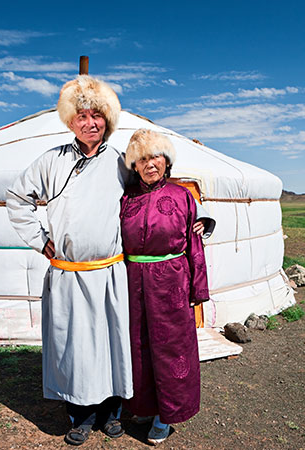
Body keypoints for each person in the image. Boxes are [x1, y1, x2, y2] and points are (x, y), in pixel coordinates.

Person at [6, 75, 131, 446]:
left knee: (112, 343)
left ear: (108, 120)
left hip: (110, 271)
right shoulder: (51, 161)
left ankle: (112, 412)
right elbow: (17, 197)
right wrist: (40, 241)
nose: (90, 123)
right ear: (70, 120)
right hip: (70, 274)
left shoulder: (123, 162)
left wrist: (197, 214)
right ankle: (80, 416)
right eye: (82, 116)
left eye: (97, 116)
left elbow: (160, 185)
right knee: (75, 347)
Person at [120, 129, 210, 445]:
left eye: (155, 156)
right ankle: (143, 407)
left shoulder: (183, 196)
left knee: (171, 350)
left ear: (166, 161)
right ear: (134, 165)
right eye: (142, 158)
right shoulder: (125, 198)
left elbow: (195, 245)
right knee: (139, 347)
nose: (150, 164)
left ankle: (166, 415)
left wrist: (198, 290)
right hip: (133, 282)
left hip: (172, 280)